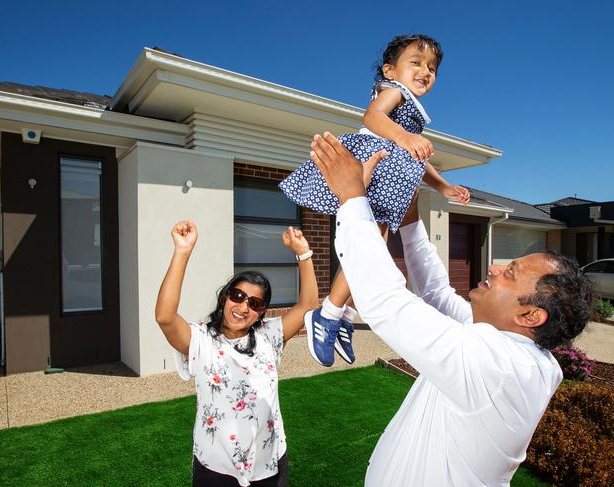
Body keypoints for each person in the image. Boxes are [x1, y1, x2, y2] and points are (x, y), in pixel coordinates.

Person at [308, 132, 593, 486]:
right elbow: (435, 293)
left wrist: (352, 198)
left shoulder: (498, 368)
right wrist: (411, 218)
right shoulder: (509, 347)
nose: (494, 268)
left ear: (531, 316)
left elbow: (384, 300)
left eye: (511, 273)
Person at [279, 34, 469, 367]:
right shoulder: (393, 91)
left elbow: (417, 161)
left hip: (391, 175)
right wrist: (406, 136)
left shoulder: (410, 110)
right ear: (390, 70)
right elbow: (372, 118)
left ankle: (342, 315)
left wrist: (442, 187)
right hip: (376, 165)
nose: (426, 71)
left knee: (372, 252)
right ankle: (327, 314)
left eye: (432, 67)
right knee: (370, 248)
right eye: (416, 62)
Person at [155, 220, 318, 487]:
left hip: (269, 462)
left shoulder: (269, 336)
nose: (243, 306)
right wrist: (182, 252)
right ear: (225, 297)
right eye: (237, 295)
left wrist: (303, 253)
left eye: (254, 303)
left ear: (261, 312)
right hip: (216, 467)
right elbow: (165, 317)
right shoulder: (201, 340)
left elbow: (308, 305)